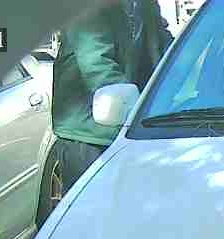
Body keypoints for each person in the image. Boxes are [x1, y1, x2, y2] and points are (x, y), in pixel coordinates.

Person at [52, 0, 173, 189]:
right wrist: (136, 109)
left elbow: (164, 47)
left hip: (132, 126)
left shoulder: (145, 4)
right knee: (95, 205)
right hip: (90, 133)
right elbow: (97, 65)